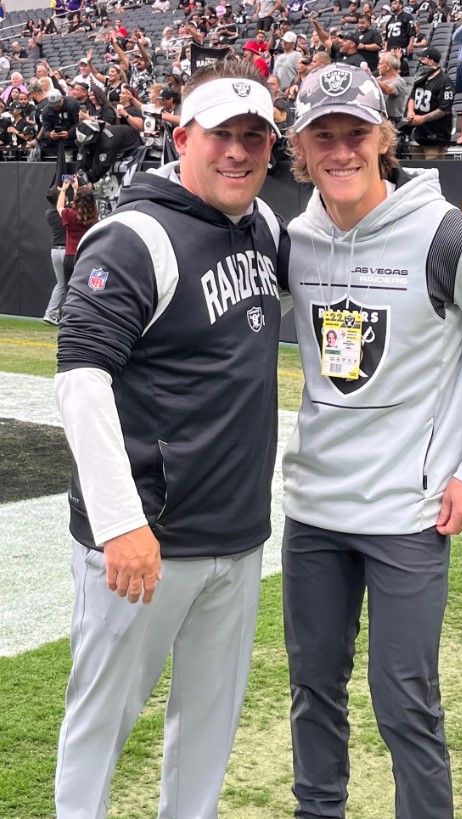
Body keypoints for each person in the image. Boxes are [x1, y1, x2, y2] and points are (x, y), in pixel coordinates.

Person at [284, 61, 462, 819]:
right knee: (311, 689)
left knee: (403, 702)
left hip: (407, 515)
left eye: (355, 134)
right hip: (312, 514)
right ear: (299, 149)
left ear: (382, 138)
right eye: (321, 136)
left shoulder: (445, 235)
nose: (340, 151)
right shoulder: (293, 239)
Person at [53, 60, 287, 819]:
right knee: (101, 720)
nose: (238, 151)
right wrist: (121, 521)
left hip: (237, 532)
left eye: (254, 137)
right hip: (143, 542)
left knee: (209, 723)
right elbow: (80, 380)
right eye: (221, 133)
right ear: (182, 137)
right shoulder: (133, 236)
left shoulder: (264, 226)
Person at [406, 46, 455, 159]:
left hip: (436, 137)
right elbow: (412, 97)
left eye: (423, 59)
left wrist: (423, 118)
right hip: (419, 135)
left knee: (431, 170)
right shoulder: (421, 77)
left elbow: (444, 109)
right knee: (416, 171)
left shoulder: (445, 82)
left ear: (431, 61)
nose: (420, 61)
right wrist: (410, 111)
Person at [56, 175, 99, 288]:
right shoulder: (94, 217)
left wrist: (64, 190)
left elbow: (60, 207)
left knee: (69, 290)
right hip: (87, 256)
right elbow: (82, 206)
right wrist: (76, 189)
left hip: (71, 256)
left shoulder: (70, 215)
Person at [43, 186, 68, 325]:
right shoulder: (64, 212)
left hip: (55, 251)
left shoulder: (49, 213)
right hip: (67, 252)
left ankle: (50, 312)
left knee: (61, 284)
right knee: (69, 284)